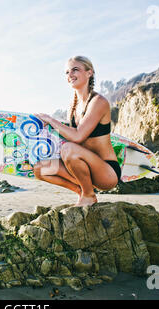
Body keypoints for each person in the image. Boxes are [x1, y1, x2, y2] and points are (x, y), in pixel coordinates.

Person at [34, 56, 120, 207]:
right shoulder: (73, 107)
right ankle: (82, 191)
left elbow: (78, 136)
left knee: (69, 149)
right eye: (67, 72)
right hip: (82, 170)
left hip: (106, 172)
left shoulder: (98, 102)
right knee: (40, 169)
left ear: (89, 73)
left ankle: (89, 195)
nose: (70, 75)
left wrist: (50, 120)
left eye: (75, 70)